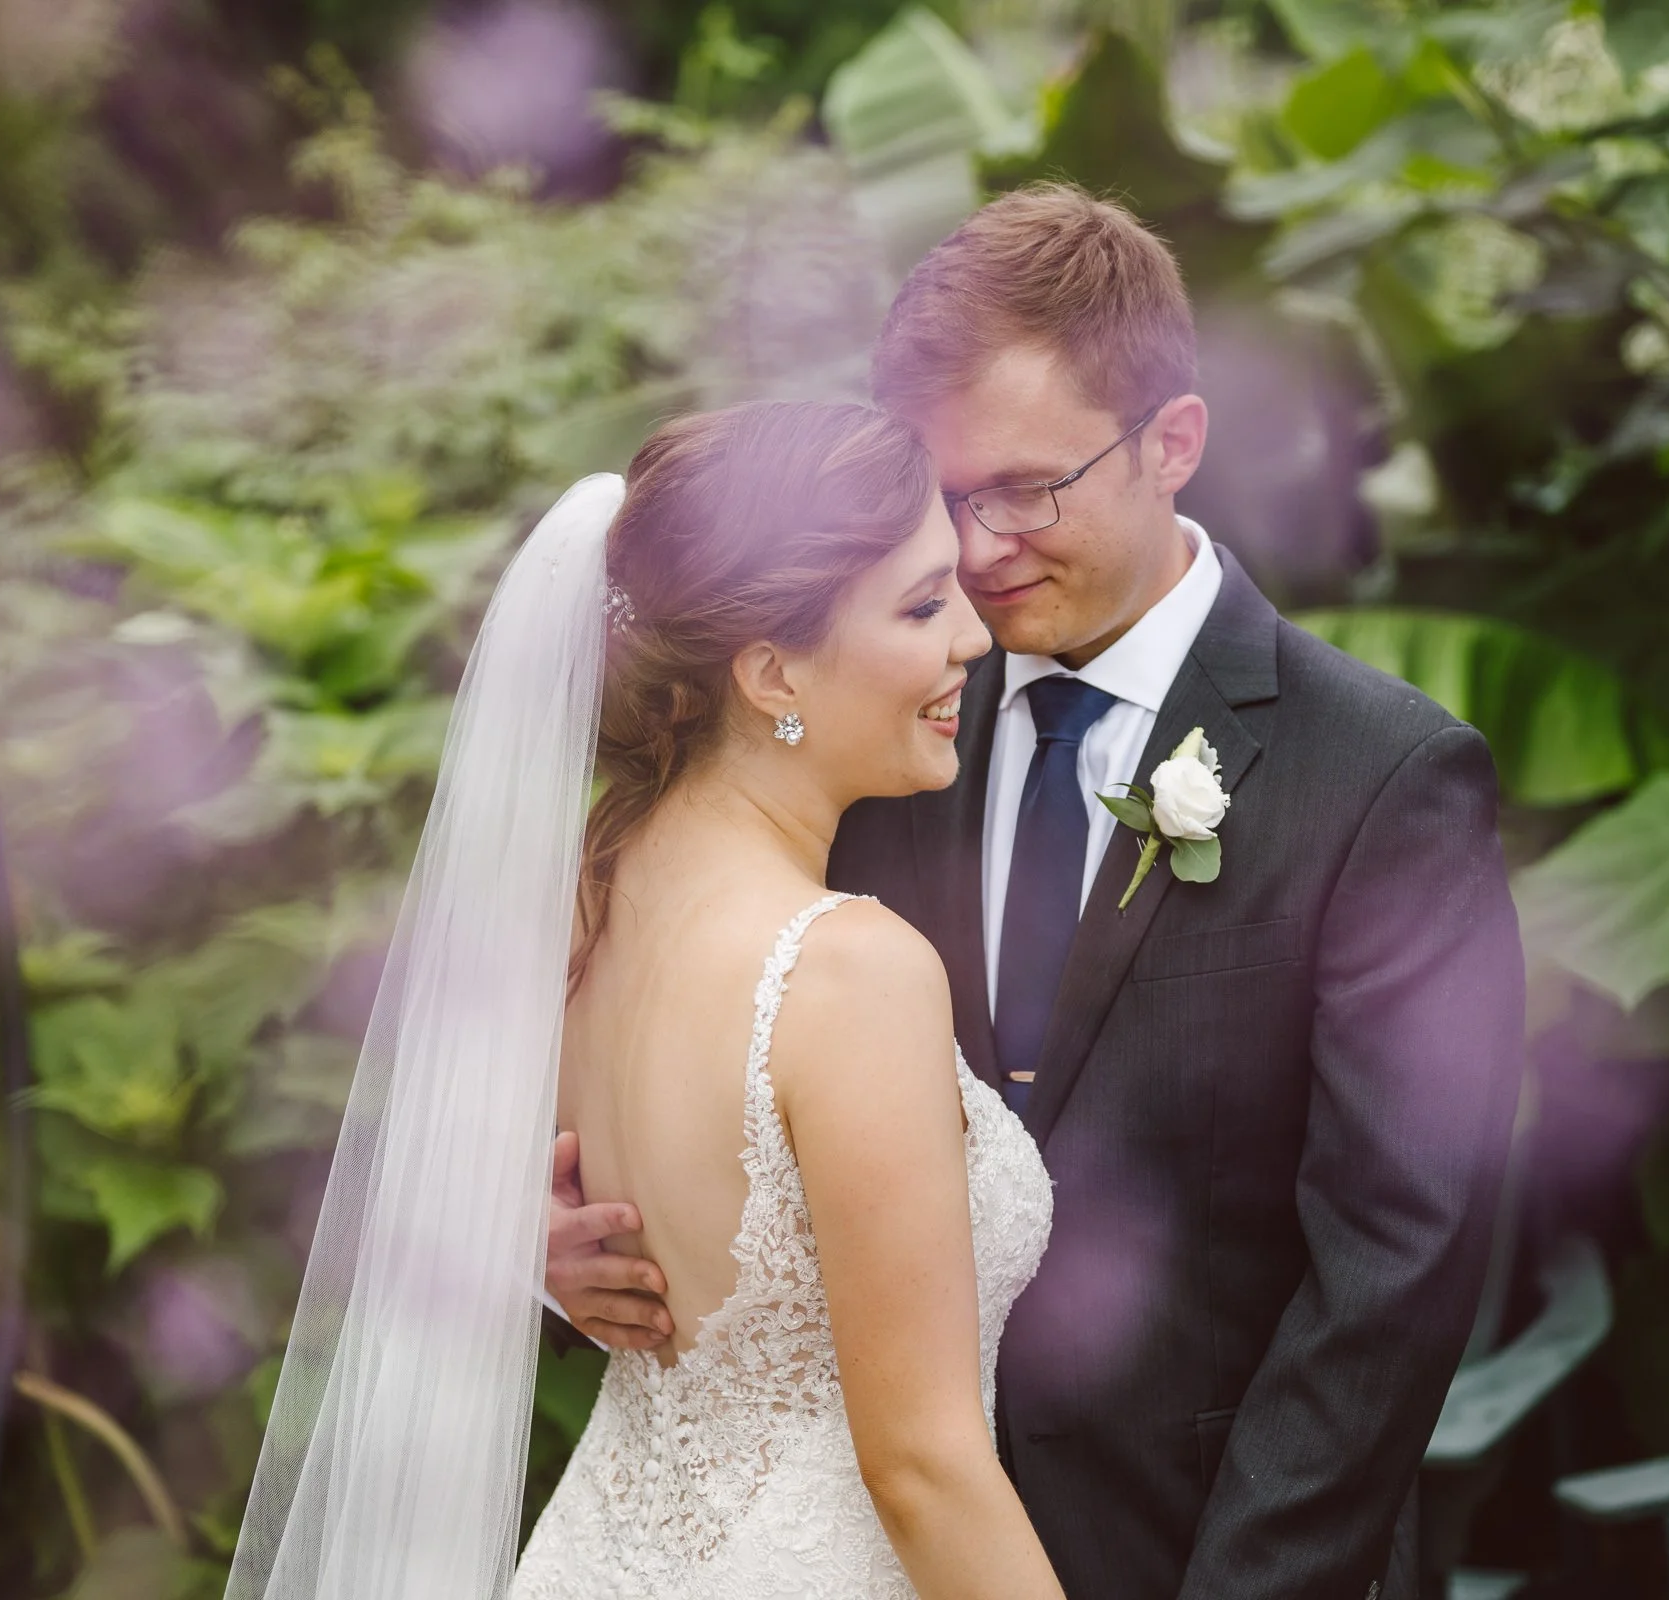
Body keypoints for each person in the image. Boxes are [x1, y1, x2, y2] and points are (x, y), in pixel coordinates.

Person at [547, 185, 1528, 1600]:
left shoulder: (1381, 780)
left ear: (1173, 443)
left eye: (1025, 489)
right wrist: (565, 1244)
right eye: (947, 499)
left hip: (1205, 1555)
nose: (979, 547)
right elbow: (709, 1064)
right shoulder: (865, 730)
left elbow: (1394, 1270)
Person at [226, 402, 1063, 1600]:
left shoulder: (579, 902)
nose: (975, 636)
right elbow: (922, 1467)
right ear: (772, 671)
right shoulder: (851, 971)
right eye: (924, 606)